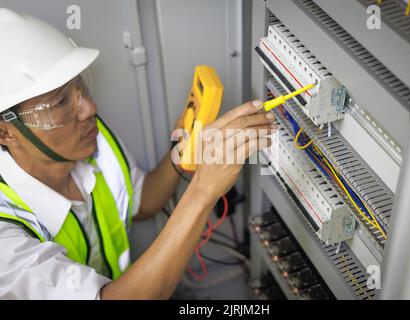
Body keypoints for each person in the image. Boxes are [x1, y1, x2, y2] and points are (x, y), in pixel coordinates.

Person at [0, 8, 277, 299]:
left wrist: (179, 153)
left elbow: (141, 202)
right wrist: (204, 190)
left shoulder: (91, 140)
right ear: (5, 132)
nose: (89, 109)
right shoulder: (6, 242)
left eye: (80, 87)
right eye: (59, 103)